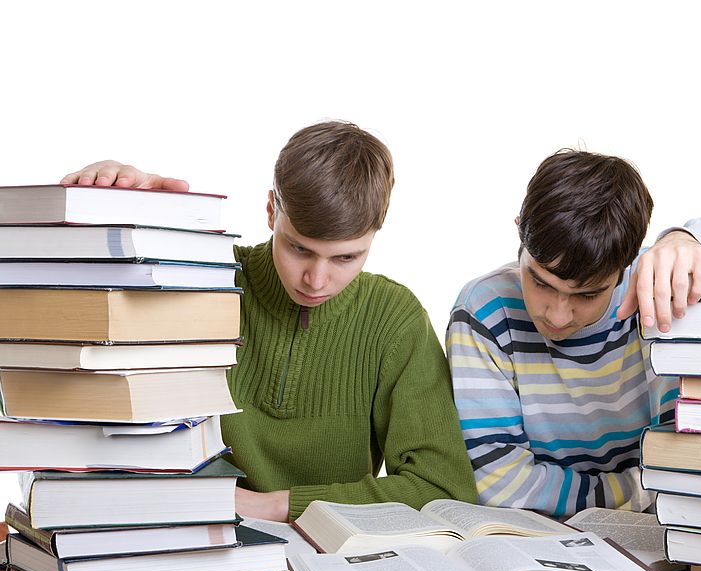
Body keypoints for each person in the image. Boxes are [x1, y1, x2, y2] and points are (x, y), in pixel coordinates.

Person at [61, 121, 478, 521]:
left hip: (326, 560)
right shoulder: (203, 278)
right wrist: (122, 208)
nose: (316, 280)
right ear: (270, 210)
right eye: (298, 248)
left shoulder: (394, 318)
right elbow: (70, 326)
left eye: (346, 258)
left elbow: (442, 487)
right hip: (182, 534)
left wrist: (278, 505)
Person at [446, 149, 701, 516]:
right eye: (540, 282)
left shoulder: (658, 284)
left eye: (587, 294)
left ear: (627, 264)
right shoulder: (484, 312)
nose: (557, 315)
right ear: (519, 230)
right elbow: (499, 483)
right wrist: (642, 487)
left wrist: (687, 239)